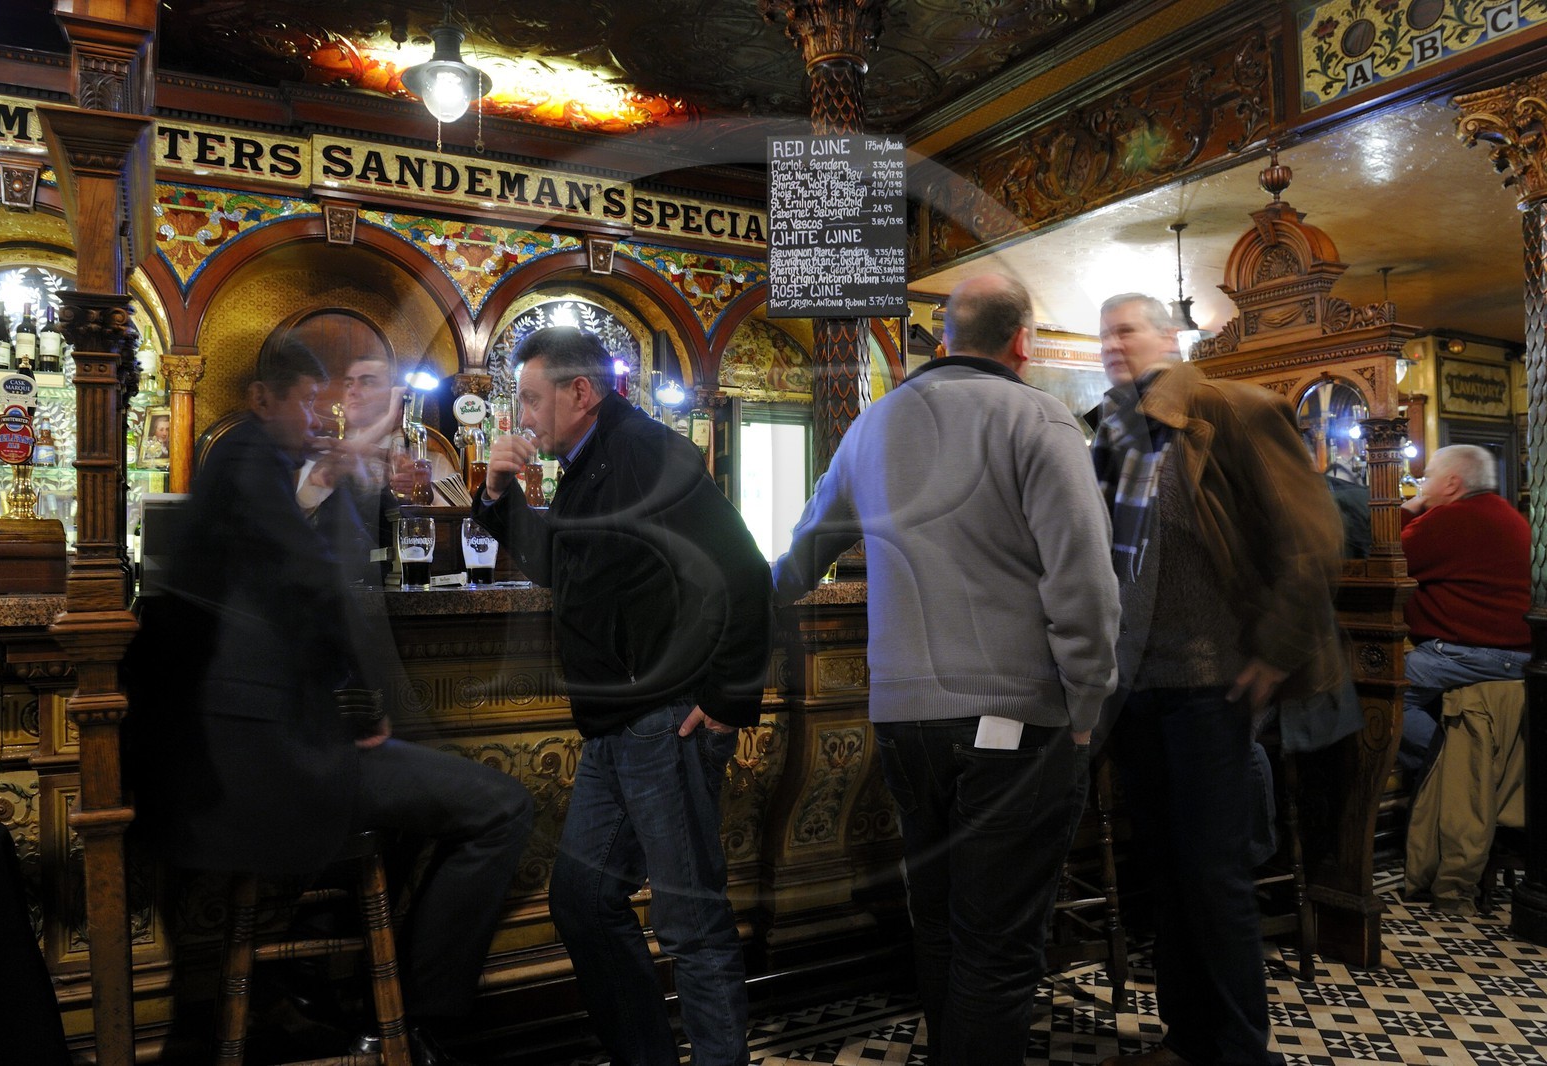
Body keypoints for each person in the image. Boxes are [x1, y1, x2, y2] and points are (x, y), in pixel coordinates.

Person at [131, 338, 532, 1066]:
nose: (324, 415)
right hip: (269, 764)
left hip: (242, 757)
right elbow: (312, 583)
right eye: (313, 401)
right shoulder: (250, 456)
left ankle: (334, 984)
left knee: (422, 804)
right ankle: (420, 1017)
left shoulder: (260, 463)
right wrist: (360, 705)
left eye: (334, 400)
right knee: (501, 806)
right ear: (264, 400)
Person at [773, 272, 1120, 1066]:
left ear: (941, 338)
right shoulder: (1040, 417)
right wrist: (1087, 706)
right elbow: (1085, 584)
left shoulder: (873, 425)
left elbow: (803, 553)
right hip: (1015, 718)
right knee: (997, 949)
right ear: (1023, 342)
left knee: (940, 927)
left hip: (902, 721)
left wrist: (739, 618)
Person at [475, 326, 771, 1066]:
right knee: (584, 902)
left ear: (582, 392)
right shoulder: (589, 461)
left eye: (535, 398)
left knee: (690, 923)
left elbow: (742, 568)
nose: (525, 415)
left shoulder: (642, 451)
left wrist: (731, 694)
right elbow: (565, 566)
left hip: (663, 720)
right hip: (617, 724)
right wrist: (495, 495)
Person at [1092, 294, 1343, 1066]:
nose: (1112, 344)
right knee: (1165, 874)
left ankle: (1240, 1050)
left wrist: (1274, 650)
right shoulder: (1112, 431)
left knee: (1212, 877)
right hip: (1137, 686)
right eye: (1103, 332)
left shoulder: (1230, 408)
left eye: (1127, 328)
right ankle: (1188, 1035)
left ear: (1171, 335)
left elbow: (1313, 535)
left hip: (1210, 682)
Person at [1398, 444, 1530, 764]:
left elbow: (1388, 552)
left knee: (1383, 696)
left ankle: (1456, 767)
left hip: (1472, 653)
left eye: (1427, 477)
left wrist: (1411, 505)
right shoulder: (1506, 513)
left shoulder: (1451, 519)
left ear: (1452, 483)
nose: (1422, 485)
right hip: (1520, 652)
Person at [297, 352, 457, 517]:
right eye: (348, 384)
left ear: (395, 393)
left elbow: (457, 523)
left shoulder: (432, 462)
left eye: (367, 382)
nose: (353, 391)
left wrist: (423, 494)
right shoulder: (325, 452)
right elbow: (301, 511)